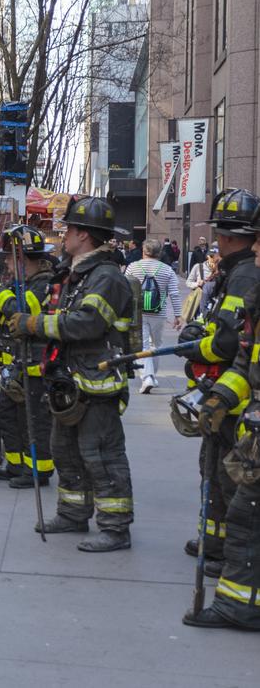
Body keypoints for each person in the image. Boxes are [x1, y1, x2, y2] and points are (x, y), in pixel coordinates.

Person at [8, 195, 135, 551]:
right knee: (65, 451)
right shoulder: (75, 274)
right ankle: (73, 514)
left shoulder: (106, 277)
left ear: (85, 234)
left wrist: (34, 324)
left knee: (102, 456)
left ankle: (115, 527)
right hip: (68, 382)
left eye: (70, 230)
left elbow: (87, 324)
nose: (64, 236)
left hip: (97, 383)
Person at [182, 199, 260, 631]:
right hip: (244, 409)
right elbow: (248, 363)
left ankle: (239, 606)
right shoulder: (246, 280)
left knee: (245, 510)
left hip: (250, 419)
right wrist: (218, 399)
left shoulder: (245, 277)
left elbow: (229, 346)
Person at [0, 225, 57, 488]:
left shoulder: (43, 285)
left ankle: (38, 471)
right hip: (15, 364)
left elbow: (22, 312)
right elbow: (1, 309)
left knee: (33, 421)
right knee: (7, 415)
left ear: (23, 260)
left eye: (8, 258)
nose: (5, 263)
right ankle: (16, 464)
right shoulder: (20, 283)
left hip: (36, 365)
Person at [124, 238, 183, 394]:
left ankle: (147, 377)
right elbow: (174, 294)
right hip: (159, 313)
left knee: (142, 345)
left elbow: (125, 290)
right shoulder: (167, 270)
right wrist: (178, 315)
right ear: (160, 253)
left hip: (138, 313)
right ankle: (151, 376)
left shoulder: (133, 267)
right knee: (156, 345)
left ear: (144, 251)